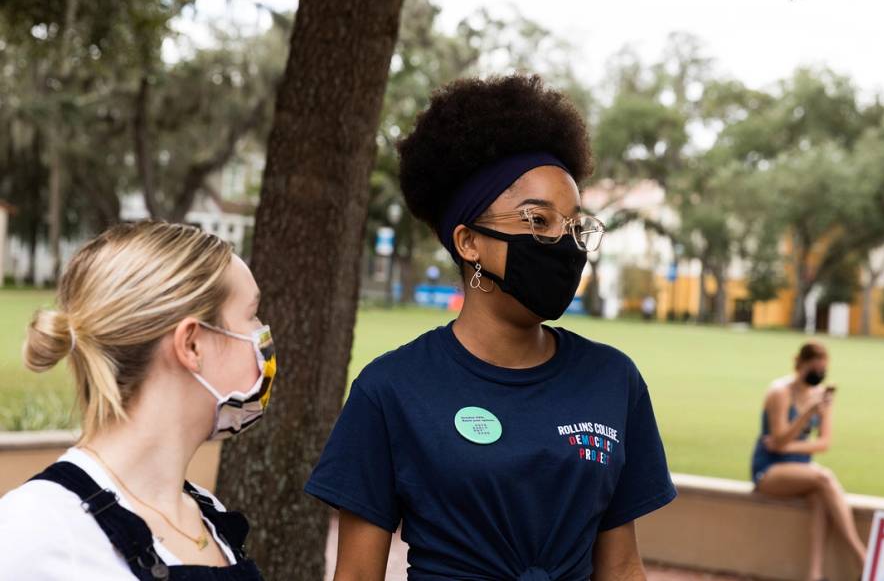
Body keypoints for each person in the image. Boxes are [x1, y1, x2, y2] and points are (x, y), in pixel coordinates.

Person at [307, 75, 677, 581]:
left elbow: (622, 565)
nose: (563, 245)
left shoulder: (614, 380)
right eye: (537, 221)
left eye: (572, 226)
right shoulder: (390, 390)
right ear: (469, 242)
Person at [0, 221, 274, 580]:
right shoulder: (35, 530)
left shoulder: (205, 513)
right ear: (192, 344)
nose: (263, 336)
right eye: (251, 315)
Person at [751, 341, 865, 581]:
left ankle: (814, 575)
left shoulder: (820, 395)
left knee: (820, 498)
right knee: (825, 477)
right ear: (800, 364)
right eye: (813, 368)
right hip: (770, 470)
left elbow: (824, 443)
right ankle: (861, 557)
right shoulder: (780, 392)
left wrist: (789, 444)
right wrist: (806, 415)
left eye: (822, 369)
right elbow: (779, 441)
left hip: (802, 469)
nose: (818, 374)